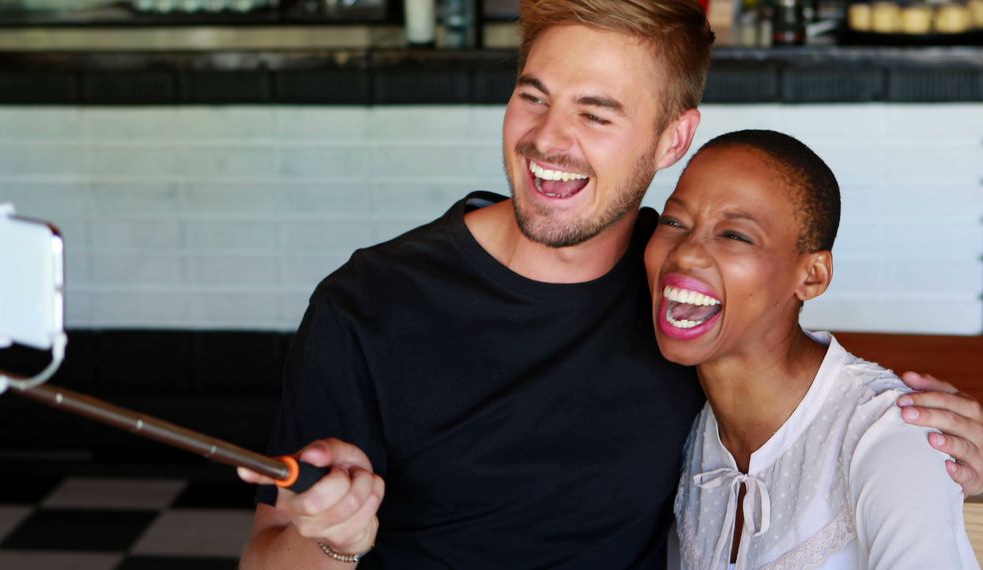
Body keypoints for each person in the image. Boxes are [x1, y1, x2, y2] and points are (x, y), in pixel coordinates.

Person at [238, 1, 983, 568]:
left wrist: (943, 457)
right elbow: (269, 551)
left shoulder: (683, 296)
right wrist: (330, 541)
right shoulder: (368, 305)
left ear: (672, 140)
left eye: (596, 114)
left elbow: (815, 405)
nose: (547, 139)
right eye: (534, 97)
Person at [646, 130, 978, 569]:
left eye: (735, 235)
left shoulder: (884, 435)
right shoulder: (676, 428)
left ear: (813, 276)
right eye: (673, 222)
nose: (686, 254)